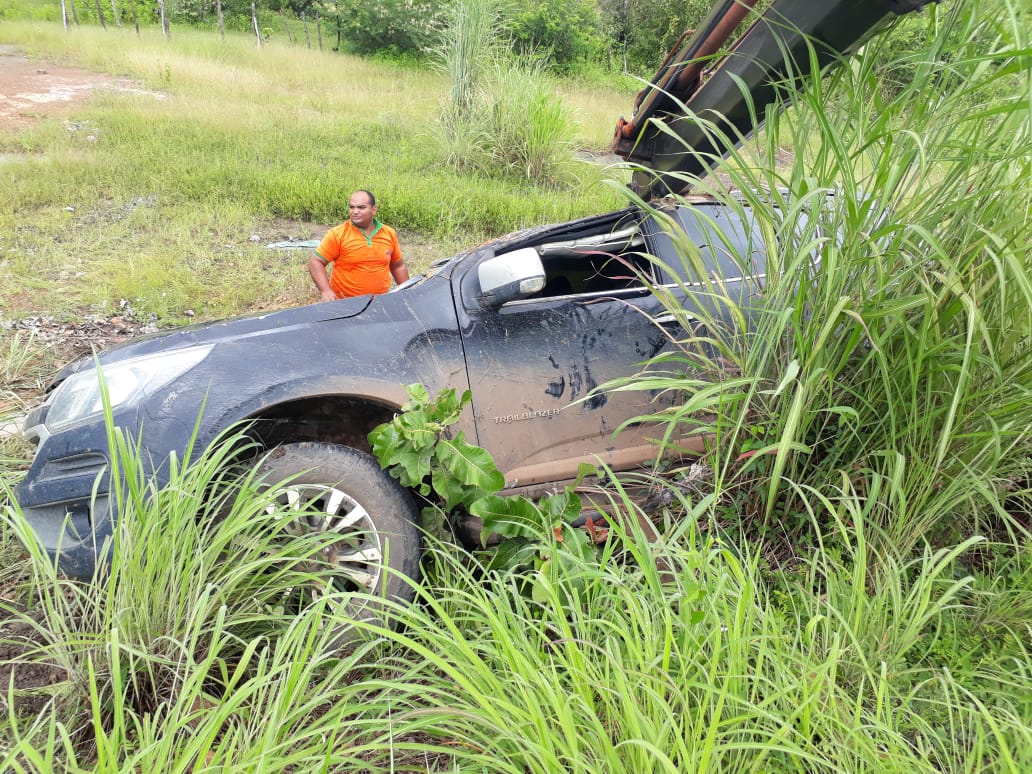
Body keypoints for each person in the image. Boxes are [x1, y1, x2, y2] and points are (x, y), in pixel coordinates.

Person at [308, 190, 410, 301]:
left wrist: (408, 292)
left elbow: (397, 266)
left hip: (379, 302)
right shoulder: (338, 234)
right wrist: (326, 291)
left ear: (374, 210)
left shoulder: (388, 233)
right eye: (351, 207)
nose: (355, 211)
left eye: (361, 207)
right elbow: (316, 262)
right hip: (345, 303)